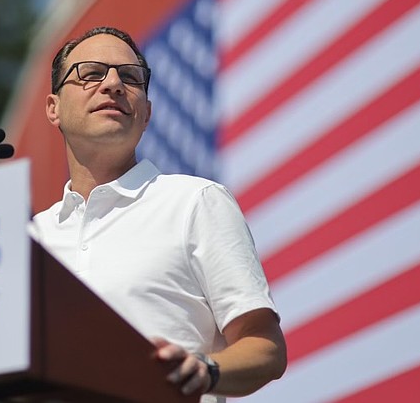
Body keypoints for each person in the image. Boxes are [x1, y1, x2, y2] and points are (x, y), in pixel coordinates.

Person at [29, 26, 286, 402]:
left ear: (146, 113)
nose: (114, 84)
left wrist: (205, 369)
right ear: (54, 109)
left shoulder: (195, 201)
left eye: (130, 77)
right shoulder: (32, 236)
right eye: (92, 73)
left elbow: (266, 347)